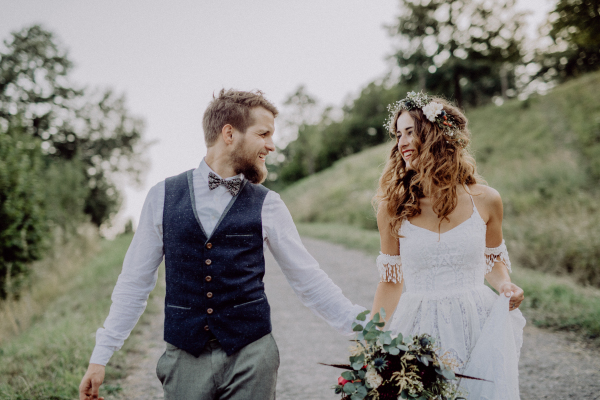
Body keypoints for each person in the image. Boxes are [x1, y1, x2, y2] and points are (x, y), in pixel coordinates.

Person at [78, 89, 366, 400]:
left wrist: (365, 330)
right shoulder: (161, 196)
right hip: (184, 358)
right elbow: (135, 282)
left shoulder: (269, 204)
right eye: (264, 133)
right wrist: (101, 356)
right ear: (229, 133)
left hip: (252, 357)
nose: (271, 144)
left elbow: (308, 279)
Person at [371, 92, 526, 399]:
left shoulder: (487, 200)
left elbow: (492, 260)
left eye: (410, 132)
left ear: (437, 136)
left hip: (475, 321)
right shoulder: (392, 208)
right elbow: (390, 282)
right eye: (397, 134)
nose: (401, 142)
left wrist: (506, 284)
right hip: (417, 326)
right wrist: (371, 342)